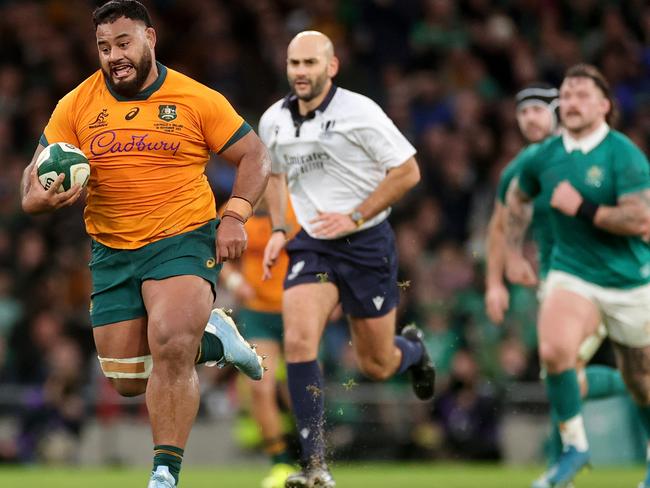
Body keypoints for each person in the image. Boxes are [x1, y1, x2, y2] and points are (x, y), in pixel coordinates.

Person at [20, 2, 269, 487]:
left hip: (182, 237)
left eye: (124, 42)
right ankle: (215, 338)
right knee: (127, 379)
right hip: (112, 251)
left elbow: (253, 154)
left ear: (150, 38)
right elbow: (30, 187)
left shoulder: (196, 99)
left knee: (172, 342)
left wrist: (235, 213)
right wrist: (44, 199)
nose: (114, 55)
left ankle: (163, 473)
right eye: (104, 47)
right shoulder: (75, 105)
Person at [260, 31, 436, 488]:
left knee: (374, 365)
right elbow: (275, 175)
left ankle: (413, 350)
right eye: (294, 63)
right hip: (313, 243)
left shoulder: (360, 112)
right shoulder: (273, 120)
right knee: (298, 340)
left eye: (310, 63)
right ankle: (315, 465)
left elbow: (408, 171)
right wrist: (280, 229)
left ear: (331, 66)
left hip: (366, 243)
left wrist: (356, 214)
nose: (300, 71)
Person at [504, 63, 650, 488]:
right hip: (573, 273)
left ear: (604, 106)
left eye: (581, 95)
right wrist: (514, 254)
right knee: (554, 351)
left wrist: (584, 208)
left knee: (641, 380)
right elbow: (517, 197)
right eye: (565, 95)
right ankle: (574, 448)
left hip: (629, 279)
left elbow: (640, 218)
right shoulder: (542, 156)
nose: (570, 102)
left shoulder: (624, 154)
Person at [486, 83, 629, 466]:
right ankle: (566, 453)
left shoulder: (600, 153)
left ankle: (564, 454)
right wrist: (496, 281)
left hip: (605, 277)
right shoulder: (524, 166)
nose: (529, 119)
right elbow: (501, 224)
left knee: (561, 371)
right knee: (559, 371)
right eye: (522, 112)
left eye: (538, 109)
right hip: (559, 283)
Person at [220, 200, 299, 488]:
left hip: (297, 308)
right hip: (257, 312)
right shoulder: (237, 209)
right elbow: (218, 253)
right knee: (260, 384)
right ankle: (280, 464)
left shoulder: (296, 207)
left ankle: (312, 456)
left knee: (301, 388)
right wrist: (234, 282)